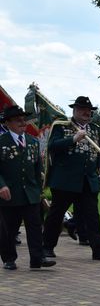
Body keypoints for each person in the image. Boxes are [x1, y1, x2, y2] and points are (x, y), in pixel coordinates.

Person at [41, 96, 100, 261]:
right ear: (74, 111)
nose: (86, 112)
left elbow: (99, 155)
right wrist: (73, 139)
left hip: (88, 180)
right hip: (65, 181)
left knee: (92, 216)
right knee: (56, 215)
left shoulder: (94, 129)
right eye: (82, 109)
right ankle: (46, 247)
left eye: (88, 110)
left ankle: (98, 249)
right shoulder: (61, 126)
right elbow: (53, 146)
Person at [0, 105, 56, 270]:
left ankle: (37, 259)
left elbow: (38, 168)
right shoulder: (1, 142)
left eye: (24, 119)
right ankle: (9, 258)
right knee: (9, 229)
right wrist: (1, 186)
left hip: (30, 193)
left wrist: (39, 190)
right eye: (18, 120)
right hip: (9, 194)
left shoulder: (32, 141)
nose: (23, 122)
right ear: (8, 123)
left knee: (35, 226)